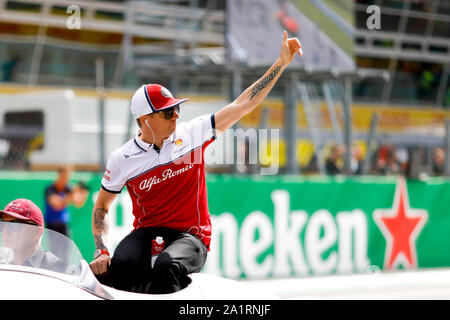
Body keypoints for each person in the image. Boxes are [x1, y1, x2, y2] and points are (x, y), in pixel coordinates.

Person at [89, 31, 303, 294]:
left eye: (177, 110)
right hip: (147, 232)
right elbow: (102, 207)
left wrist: (280, 63)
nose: (176, 116)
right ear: (145, 119)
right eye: (168, 112)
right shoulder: (121, 159)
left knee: (166, 267)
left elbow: (243, 104)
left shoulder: (193, 134)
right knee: (118, 266)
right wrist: (101, 249)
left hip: (190, 236)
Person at [0, 198, 68, 273]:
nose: (5, 231)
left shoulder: (59, 270)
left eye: (15, 225)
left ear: (37, 232)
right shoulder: (2, 264)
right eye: (2, 224)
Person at [44, 165, 88, 237]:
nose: (66, 178)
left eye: (68, 175)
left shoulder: (69, 188)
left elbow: (78, 203)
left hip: (64, 224)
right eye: (65, 175)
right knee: (53, 248)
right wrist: (71, 194)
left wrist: (84, 194)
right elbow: (57, 205)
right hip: (51, 225)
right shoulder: (50, 189)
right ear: (59, 174)